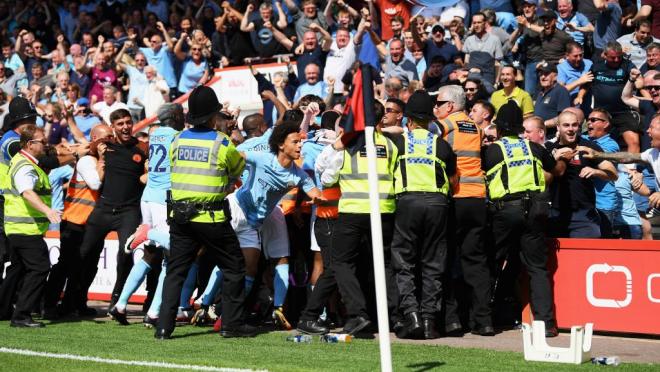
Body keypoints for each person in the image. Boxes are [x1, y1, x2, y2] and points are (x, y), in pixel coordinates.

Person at [155, 86, 253, 339]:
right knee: (233, 268)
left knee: (175, 271)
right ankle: (231, 325)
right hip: (211, 218)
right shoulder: (222, 143)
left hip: (180, 217)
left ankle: (164, 327)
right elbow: (237, 168)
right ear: (213, 116)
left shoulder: (177, 140)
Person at [313, 102, 399, 335]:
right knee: (384, 264)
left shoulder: (348, 143)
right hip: (384, 210)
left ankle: (358, 313)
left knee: (341, 262)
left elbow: (327, 177)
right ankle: (395, 315)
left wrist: (336, 145)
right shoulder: (389, 145)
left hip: (353, 210)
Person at [483, 100, 561, 338]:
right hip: (535, 211)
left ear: (499, 128)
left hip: (505, 211)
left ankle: (485, 320)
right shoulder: (534, 148)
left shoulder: (493, 150)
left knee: (492, 264)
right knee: (537, 269)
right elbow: (554, 169)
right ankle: (546, 324)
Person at [389, 91, 457, 339]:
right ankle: (429, 320)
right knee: (433, 262)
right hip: (438, 203)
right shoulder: (441, 144)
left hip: (408, 202)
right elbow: (452, 176)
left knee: (404, 261)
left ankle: (411, 315)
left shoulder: (399, 143)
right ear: (430, 120)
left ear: (407, 119)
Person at [109, 103, 184, 327]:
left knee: (150, 255)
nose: (184, 118)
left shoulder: (155, 134)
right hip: (164, 199)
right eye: (181, 115)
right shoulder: (178, 136)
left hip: (149, 195)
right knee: (173, 257)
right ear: (174, 117)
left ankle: (120, 304)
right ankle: (153, 312)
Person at [76, 109, 147, 313]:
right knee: (85, 253)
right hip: (104, 209)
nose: (125, 126)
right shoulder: (102, 145)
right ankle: (77, 299)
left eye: (128, 122)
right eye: (120, 124)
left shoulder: (142, 148)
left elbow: (148, 174)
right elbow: (78, 151)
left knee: (125, 255)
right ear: (113, 127)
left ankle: (117, 301)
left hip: (129, 211)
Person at [434, 85, 491, 336]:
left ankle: (452, 320)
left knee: (447, 260)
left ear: (449, 106)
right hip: (477, 198)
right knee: (476, 261)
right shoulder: (476, 127)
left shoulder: (445, 125)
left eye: (438, 103)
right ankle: (484, 321)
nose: (435, 108)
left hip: (455, 197)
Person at [42, 124, 113, 318]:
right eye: (105, 138)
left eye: (110, 138)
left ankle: (77, 303)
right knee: (66, 264)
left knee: (89, 266)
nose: (108, 142)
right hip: (74, 221)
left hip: (93, 224)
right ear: (94, 138)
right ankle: (49, 305)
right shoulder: (86, 161)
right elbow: (96, 183)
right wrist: (103, 160)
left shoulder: (102, 160)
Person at [3, 125, 60, 328]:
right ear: (30, 144)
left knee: (20, 269)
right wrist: (47, 211)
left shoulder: (25, 162)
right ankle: (21, 315)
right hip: (25, 229)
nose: (46, 145)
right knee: (39, 268)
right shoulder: (25, 167)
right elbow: (27, 192)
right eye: (42, 142)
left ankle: (9, 310)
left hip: (21, 228)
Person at [545, 110, 618, 238]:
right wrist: (555, 159)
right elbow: (543, 179)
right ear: (558, 127)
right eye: (566, 125)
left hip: (583, 214)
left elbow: (613, 174)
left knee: (586, 256)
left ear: (579, 126)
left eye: (574, 125)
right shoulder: (549, 148)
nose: (571, 129)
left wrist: (596, 171)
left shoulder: (588, 146)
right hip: (555, 213)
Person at [590, 41, 640, 153]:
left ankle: (631, 169)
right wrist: (580, 95)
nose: (617, 60)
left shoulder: (627, 64)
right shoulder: (596, 66)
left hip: (623, 111)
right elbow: (586, 83)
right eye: (613, 58)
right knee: (594, 140)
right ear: (605, 55)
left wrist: (637, 77)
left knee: (634, 141)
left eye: (619, 57)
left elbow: (638, 79)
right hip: (601, 113)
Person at [534, 62, 571, 138]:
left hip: (553, 136)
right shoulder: (540, 91)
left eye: (546, 74)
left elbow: (564, 117)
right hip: (539, 135)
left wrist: (543, 124)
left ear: (555, 76)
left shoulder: (561, 91)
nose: (543, 77)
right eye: (541, 74)